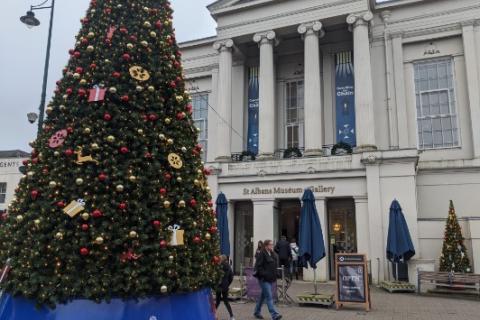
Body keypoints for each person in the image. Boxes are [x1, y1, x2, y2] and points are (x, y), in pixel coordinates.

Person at [253, 240, 282, 320]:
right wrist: (265, 274)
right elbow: (259, 266)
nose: (272, 246)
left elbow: (274, 265)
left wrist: (276, 274)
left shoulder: (272, 254)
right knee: (269, 296)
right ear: (266, 246)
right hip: (263, 279)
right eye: (270, 245)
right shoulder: (262, 254)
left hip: (270, 279)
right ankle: (274, 314)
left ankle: (256, 312)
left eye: (272, 245)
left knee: (263, 296)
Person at [216, 255, 235, 320]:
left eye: (220, 258)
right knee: (226, 301)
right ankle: (232, 316)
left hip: (219, 285)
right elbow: (231, 277)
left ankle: (212, 314)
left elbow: (216, 276)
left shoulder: (218, 266)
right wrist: (227, 284)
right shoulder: (229, 266)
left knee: (217, 301)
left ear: (222, 259)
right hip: (225, 286)